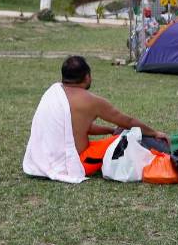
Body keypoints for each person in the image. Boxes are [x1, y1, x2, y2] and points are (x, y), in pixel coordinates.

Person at [23, 55, 170, 183]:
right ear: (87, 76)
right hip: (76, 163)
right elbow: (128, 122)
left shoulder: (53, 93)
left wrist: (111, 130)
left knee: (119, 135)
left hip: (42, 161)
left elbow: (78, 128)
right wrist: (155, 133)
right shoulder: (90, 101)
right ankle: (168, 155)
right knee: (129, 136)